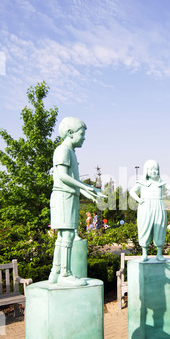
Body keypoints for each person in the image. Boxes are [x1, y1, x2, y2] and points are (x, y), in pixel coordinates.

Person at [48, 117, 106, 285]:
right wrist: (86, 187)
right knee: (66, 235)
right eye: (82, 134)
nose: (84, 138)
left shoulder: (70, 152)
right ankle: (64, 274)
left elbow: (69, 178)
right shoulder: (63, 150)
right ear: (71, 133)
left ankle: (55, 271)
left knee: (62, 236)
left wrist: (87, 192)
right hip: (63, 196)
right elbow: (62, 176)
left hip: (68, 196)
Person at [129, 159, 170, 262]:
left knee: (160, 228)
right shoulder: (142, 183)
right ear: (146, 171)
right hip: (145, 207)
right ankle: (144, 253)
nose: (154, 172)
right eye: (151, 169)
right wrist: (139, 199)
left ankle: (159, 253)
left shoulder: (161, 183)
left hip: (158, 206)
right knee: (144, 227)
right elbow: (132, 191)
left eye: (156, 169)